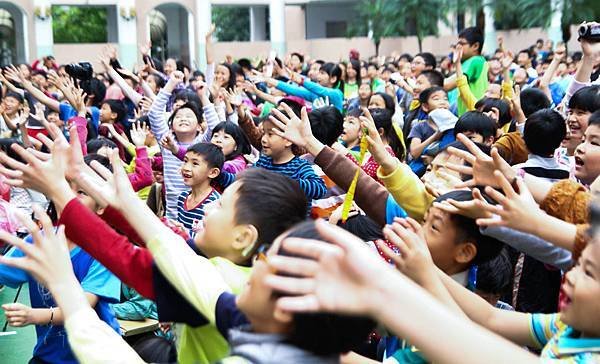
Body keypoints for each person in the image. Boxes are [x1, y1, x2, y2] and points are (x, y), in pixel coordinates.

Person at [176, 143, 223, 238]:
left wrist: (183, 233)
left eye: (195, 164)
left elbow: (212, 240)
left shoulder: (214, 204)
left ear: (213, 172)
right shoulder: (182, 197)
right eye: (185, 161)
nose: (185, 168)